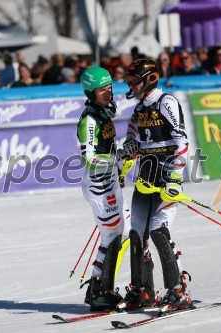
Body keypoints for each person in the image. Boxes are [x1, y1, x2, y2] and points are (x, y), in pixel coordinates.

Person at [119, 58, 191, 313]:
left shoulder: (166, 102)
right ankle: (143, 289)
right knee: (137, 234)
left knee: (159, 231)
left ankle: (178, 290)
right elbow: (132, 130)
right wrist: (130, 143)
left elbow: (182, 141)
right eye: (128, 81)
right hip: (145, 178)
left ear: (150, 79)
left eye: (134, 80)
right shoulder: (139, 109)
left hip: (165, 179)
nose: (131, 85)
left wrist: (175, 176)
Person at [77, 66, 131, 311]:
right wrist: (116, 157)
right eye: (102, 88)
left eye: (110, 86)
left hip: (110, 181)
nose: (108, 91)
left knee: (125, 231)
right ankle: (99, 291)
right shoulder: (89, 119)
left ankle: (100, 287)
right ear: (91, 91)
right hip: (99, 185)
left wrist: (118, 167)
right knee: (112, 236)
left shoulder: (104, 112)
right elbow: (89, 158)